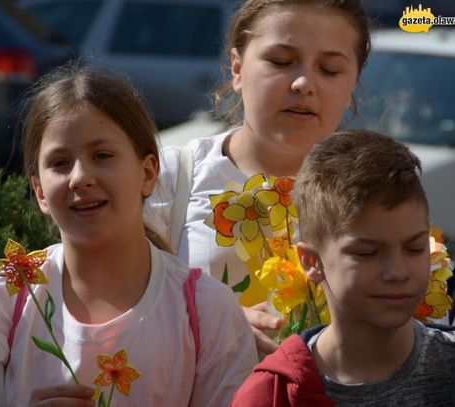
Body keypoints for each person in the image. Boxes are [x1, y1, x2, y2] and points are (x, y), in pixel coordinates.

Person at [0, 67, 258, 407]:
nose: (80, 177)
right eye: (60, 163)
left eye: (102, 156)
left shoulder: (205, 310)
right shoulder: (0, 302)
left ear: (149, 172)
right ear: (40, 192)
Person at [145, 0, 372, 354]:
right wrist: (213, 325)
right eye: (281, 61)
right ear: (237, 68)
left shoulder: (374, 196)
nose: (303, 83)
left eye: (329, 69)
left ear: (353, 83)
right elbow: (110, 311)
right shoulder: (167, 179)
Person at [230, 129, 455, 406]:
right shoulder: (273, 394)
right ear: (311, 262)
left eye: (415, 248)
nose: (398, 272)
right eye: (367, 253)